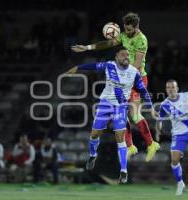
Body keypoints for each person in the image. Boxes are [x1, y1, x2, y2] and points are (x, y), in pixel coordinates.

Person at [71, 12, 160, 161]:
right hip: (125, 79)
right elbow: (108, 43)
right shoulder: (125, 35)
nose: (127, 32)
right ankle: (130, 146)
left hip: (137, 79)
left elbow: (136, 66)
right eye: (126, 29)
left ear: (137, 27)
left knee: (135, 115)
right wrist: (87, 47)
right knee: (121, 112)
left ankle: (151, 144)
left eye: (130, 30)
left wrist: (121, 78)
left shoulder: (141, 40)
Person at [66, 47, 155, 183]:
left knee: (120, 137)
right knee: (95, 134)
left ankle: (123, 171)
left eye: (127, 55)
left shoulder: (133, 72)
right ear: (116, 57)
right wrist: (78, 67)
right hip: (105, 104)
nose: (126, 57)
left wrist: (149, 102)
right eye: (123, 55)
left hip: (120, 107)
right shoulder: (109, 66)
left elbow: (141, 88)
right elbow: (93, 66)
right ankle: (92, 155)